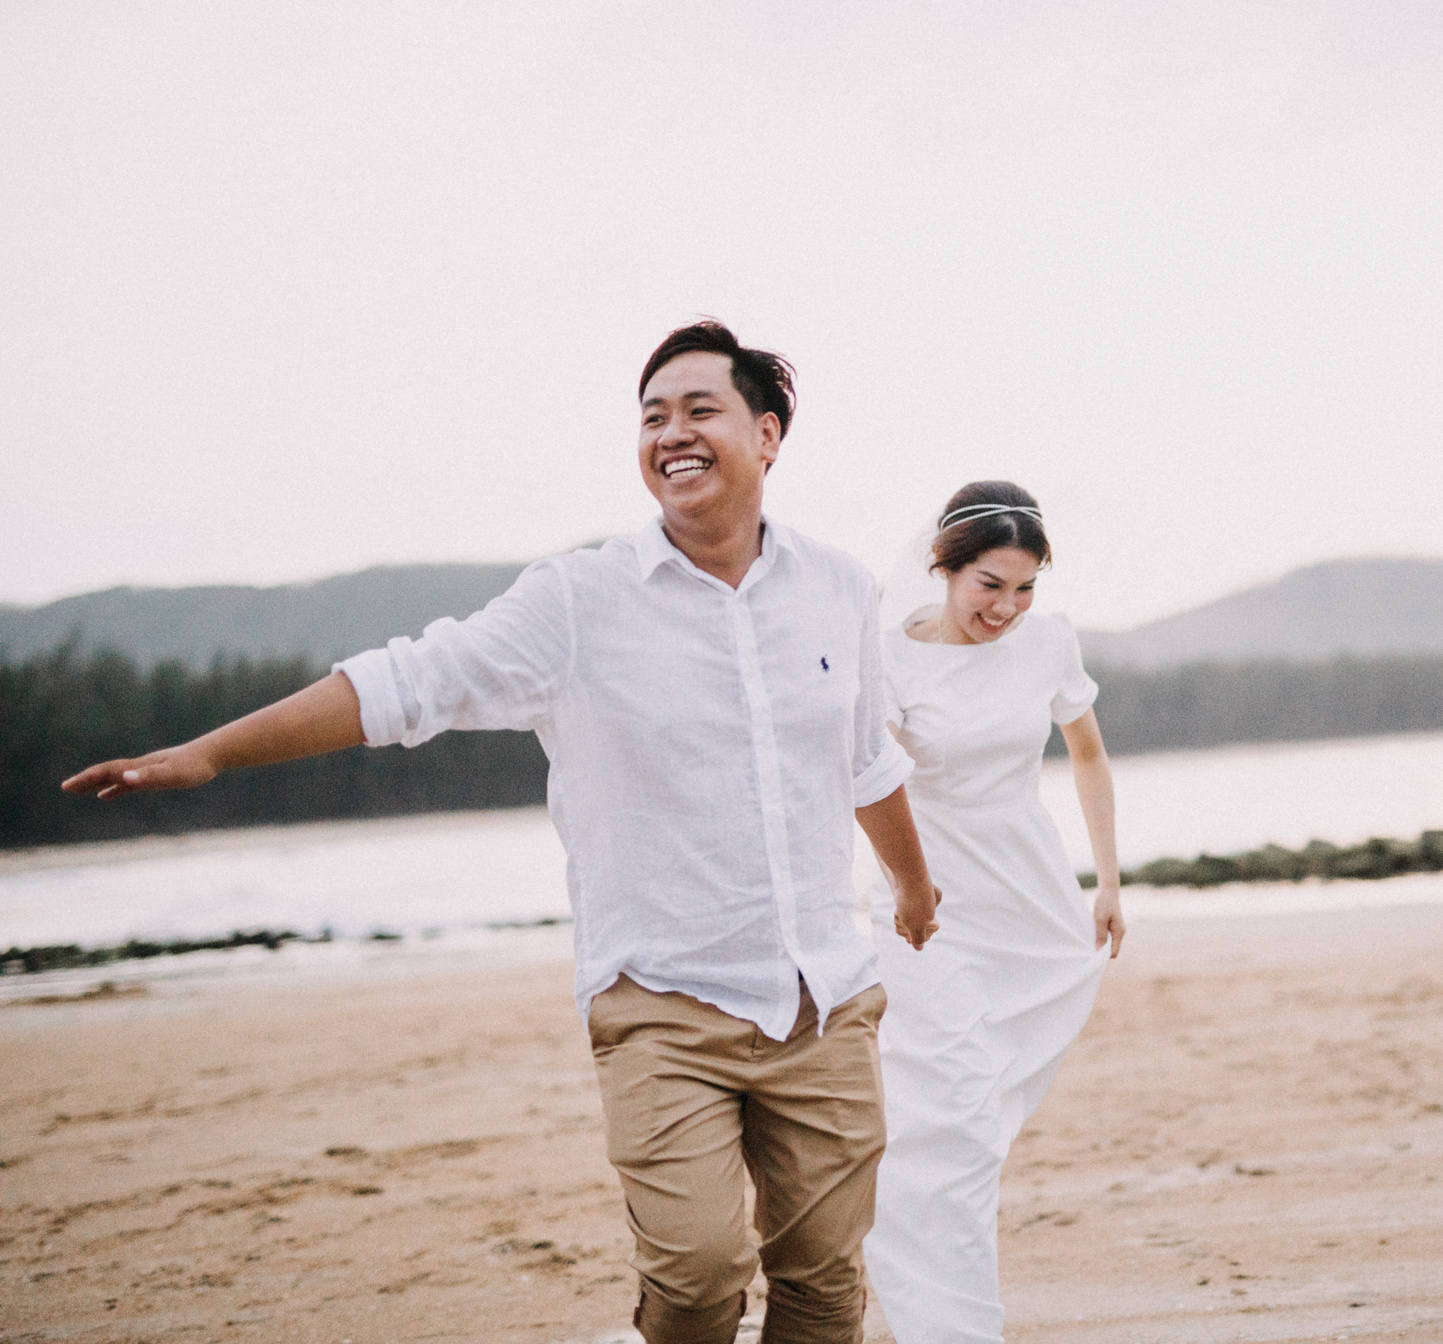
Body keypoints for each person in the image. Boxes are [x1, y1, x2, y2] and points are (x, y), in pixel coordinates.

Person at [61, 321, 942, 1344]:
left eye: (700, 410)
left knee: (826, 1288)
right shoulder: (578, 601)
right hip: (661, 1004)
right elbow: (408, 682)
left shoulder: (837, 587)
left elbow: (865, 762)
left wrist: (913, 889)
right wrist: (211, 753)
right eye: (652, 417)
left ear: (769, 434)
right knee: (699, 1283)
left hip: (823, 1002)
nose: (671, 433)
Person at [859, 481, 1124, 1344]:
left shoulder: (1048, 643)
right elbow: (869, 780)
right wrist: (910, 883)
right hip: (921, 908)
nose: (1007, 608)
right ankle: (953, 1323)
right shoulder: (889, 658)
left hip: (1025, 899)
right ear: (943, 569)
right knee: (955, 1114)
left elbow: (1087, 754)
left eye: (1024, 588)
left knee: (975, 1120)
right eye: (988, 585)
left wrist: (1108, 882)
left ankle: (939, 1293)